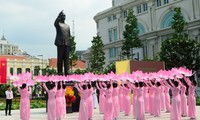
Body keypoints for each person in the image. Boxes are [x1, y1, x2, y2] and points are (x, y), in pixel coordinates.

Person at [54, 10, 71, 76]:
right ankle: (60, 72)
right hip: (60, 43)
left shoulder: (67, 26)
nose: (64, 17)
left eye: (64, 16)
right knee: (60, 58)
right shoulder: (58, 24)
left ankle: (67, 72)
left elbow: (69, 36)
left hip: (67, 44)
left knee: (67, 59)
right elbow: (55, 23)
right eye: (62, 16)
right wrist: (58, 16)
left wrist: (70, 45)